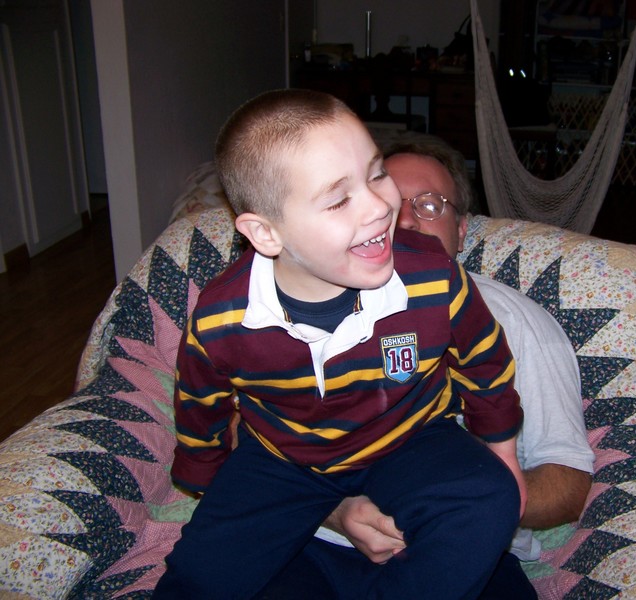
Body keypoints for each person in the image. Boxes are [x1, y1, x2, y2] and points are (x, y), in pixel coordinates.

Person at [153, 90, 527, 600]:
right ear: (265, 233)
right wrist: (206, 481)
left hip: (410, 438)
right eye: (338, 199)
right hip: (283, 459)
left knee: (489, 497)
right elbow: (200, 407)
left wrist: (502, 450)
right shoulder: (221, 318)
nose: (381, 206)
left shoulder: (433, 277)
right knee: (200, 576)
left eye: (376, 174)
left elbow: (486, 361)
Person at [261, 134, 595, 598]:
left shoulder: (517, 321)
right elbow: (247, 437)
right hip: (317, 543)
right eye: (387, 201)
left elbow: (569, 483)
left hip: (471, 553)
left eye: (431, 205)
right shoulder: (302, 308)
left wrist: (457, 508)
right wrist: (333, 509)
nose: (404, 219)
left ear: (462, 230)